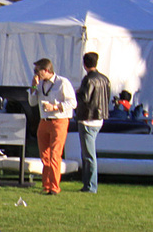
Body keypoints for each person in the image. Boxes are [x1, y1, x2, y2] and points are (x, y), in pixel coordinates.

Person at [28, 57, 76, 196]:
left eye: (38, 70)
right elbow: (32, 103)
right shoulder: (40, 83)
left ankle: (54, 187)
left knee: (55, 154)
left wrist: (55, 107)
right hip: (44, 121)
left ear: (46, 70)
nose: (36, 73)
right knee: (45, 155)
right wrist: (33, 87)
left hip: (58, 121)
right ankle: (46, 185)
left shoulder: (62, 82)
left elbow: (73, 103)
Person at [76, 52, 112, 194]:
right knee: (88, 154)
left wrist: (77, 92)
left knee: (89, 155)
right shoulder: (105, 79)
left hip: (87, 118)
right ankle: (88, 184)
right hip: (99, 117)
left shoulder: (88, 80)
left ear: (85, 64)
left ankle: (91, 186)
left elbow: (85, 97)